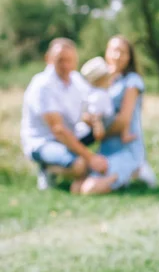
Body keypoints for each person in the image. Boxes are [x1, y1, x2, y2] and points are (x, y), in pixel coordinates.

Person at [20, 38, 108, 190]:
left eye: (70, 60)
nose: (66, 65)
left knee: (96, 135)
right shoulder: (42, 85)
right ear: (48, 58)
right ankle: (48, 169)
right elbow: (58, 130)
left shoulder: (76, 80)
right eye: (60, 60)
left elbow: (86, 108)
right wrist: (90, 158)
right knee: (81, 165)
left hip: (68, 136)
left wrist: (94, 122)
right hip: (43, 142)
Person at [74, 36, 156, 195]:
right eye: (114, 51)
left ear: (129, 57)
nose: (117, 56)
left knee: (89, 189)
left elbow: (124, 120)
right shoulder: (100, 80)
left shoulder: (132, 81)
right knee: (76, 187)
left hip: (126, 146)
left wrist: (100, 132)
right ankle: (126, 177)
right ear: (106, 53)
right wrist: (90, 121)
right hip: (106, 147)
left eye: (123, 52)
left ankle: (137, 169)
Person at [79, 56, 136, 144]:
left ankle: (125, 134)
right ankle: (125, 135)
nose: (111, 81)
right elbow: (94, 113)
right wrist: (98, 125)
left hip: (103, 121)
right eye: (109, 78)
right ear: (101, 81)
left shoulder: (99, 92)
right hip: (97, 127)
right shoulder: (99, 95)